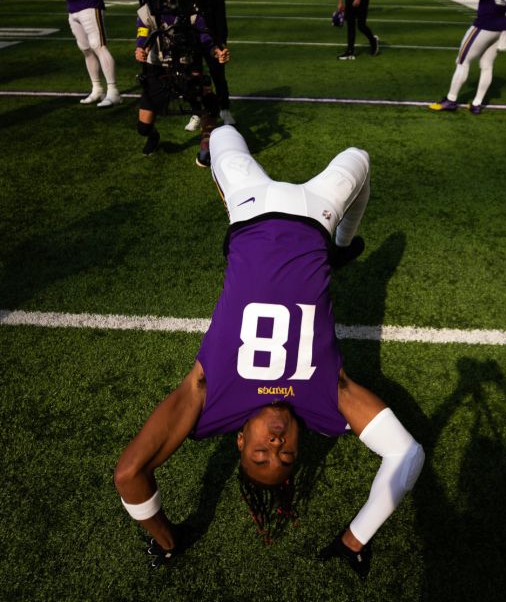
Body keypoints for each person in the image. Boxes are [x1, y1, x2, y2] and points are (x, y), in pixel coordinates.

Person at [113, 124, 424, 578]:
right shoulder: (325, 399)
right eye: (286, 456)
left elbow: (128, 475)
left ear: (240, 440)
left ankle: (209, 152)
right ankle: (340, 246)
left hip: (249, 204)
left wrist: (167, 541)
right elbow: (407, 454)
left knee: (221, 131)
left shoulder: (209, 394)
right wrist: (355, 538)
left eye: (260, 455)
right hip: (319, 212)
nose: (275, 447)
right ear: (300, 444)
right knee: (358, 152)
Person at [133, 0, 230, 166]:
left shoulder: (190, 8)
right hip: (158, 68)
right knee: (143, 126)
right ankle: (153, 136)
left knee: (209, 105)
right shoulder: (148, 9)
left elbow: (205, 37)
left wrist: (216, 51)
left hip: (187, 66)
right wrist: (141, 48)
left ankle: (206, 148)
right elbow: (142, 32)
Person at [175, 0, 236, 130]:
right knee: (191, 76)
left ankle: (224, 108)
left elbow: (220, 9)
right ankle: (196, 112)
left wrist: (222, 40)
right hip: (186, 36)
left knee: (218, 74)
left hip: (209, 34)